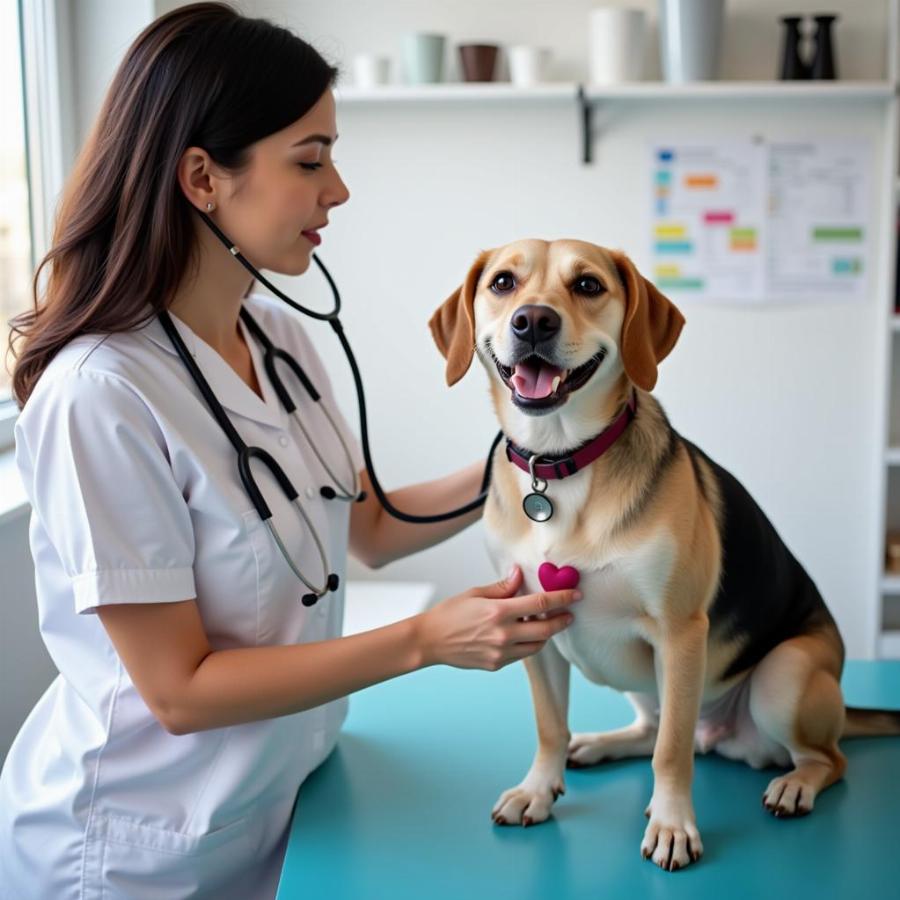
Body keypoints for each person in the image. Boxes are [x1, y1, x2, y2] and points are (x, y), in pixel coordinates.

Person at [0, 4, 581, 897]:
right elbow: (180, 690)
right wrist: (426, 638)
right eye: (310, 160)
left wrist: (548, 455)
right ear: (202, 177)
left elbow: (372, 528)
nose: (338, 189)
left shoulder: (276, 334)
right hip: (135, 847)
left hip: (287, 800)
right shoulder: (101, 393)